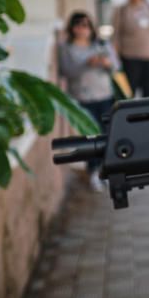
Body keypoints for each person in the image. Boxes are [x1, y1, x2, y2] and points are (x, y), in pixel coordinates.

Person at [57, 11, 119, 191]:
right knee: (90, 137)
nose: (82, 29)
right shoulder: (66, 48)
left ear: (91, 27)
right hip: (82, 97)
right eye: (78, 24)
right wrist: (86, 64)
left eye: (86, 24)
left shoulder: (101, 44)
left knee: (107, 134)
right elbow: (66, 72)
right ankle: (93, 171)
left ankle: (105, 169)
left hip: (105, 95)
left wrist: (106, 63)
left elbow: (116, 67)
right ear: (72, 27)